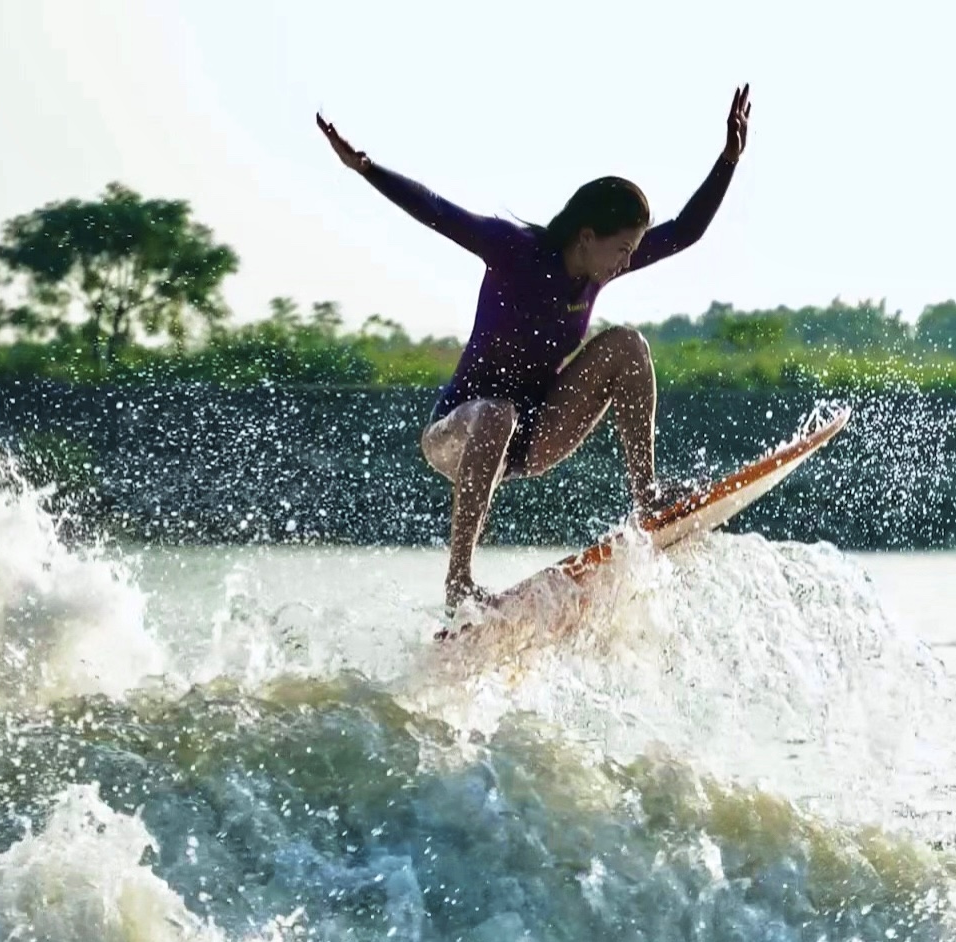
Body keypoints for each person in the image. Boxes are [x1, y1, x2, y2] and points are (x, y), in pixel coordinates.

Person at [316, 86, 752, 608]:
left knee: (628, 346)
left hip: (535, 433)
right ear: (587, 237)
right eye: (622, 249)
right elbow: (436, 211)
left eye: (632, 251)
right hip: (458, 431)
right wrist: (366, 168)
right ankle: (459, 581)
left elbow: (684, 231)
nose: (626, 262)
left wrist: (728, 159)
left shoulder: (598, 269)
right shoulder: (514, 249)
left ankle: (647, 496)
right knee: (496, 413)